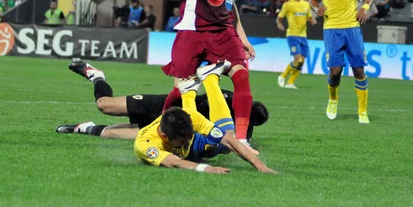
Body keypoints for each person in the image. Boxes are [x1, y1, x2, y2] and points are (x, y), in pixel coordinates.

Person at [155, 0, 256, 149]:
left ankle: (242, 140)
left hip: (222, 32)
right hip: (192, 30)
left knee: (241, 76)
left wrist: (243, 38)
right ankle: (160, 126)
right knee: (181, 90)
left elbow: (231, 3)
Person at [56, 60, 269, 141]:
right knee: (105, 105)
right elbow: (195, 103)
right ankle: (96, 76)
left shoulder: (243, 130)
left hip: (173, 125)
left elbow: (239, 144)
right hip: (166, 105)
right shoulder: (226, 98)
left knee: (114, 132)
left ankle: (84, 129)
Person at [134, 61, 274, 173]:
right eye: (183, 140)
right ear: (164, 137)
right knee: (221, 146)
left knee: (228, 138)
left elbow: (229, 139)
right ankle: (195, 87)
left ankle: (194, 88)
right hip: (193, 150)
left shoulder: (191, 117)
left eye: (189, 136)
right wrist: (206, 168)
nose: (186, 141)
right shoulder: (145, 144)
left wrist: (260, 165)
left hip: (197, 140)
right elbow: (174, 162)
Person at [310, 0, 373, 124]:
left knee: (359, 70)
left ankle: (362, 111)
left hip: (352, 27)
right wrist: (316, 9)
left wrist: (364, 8)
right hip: (331, 28)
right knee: (335, 71)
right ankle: (333, 99)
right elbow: (313, 0)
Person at [276, 0, 317, 89]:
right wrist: (279, 24)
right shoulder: (288, 4)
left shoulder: (306, 4)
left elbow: (308, 16)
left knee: (301, 62)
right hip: (292, 35)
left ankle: (290, 83)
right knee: (297, 60)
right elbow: (280, 17)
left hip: (303, 36)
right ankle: (282, 76)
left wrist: (312, 20)